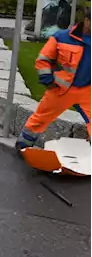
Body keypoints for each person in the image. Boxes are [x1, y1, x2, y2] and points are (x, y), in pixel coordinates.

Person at [15, 11, 92, 154]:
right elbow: (43, 60)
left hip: (88, 91)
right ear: (87, 20)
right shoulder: (61, 37)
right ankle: (24, 145)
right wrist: (48, 80)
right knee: (40, 117)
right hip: (61, 89)